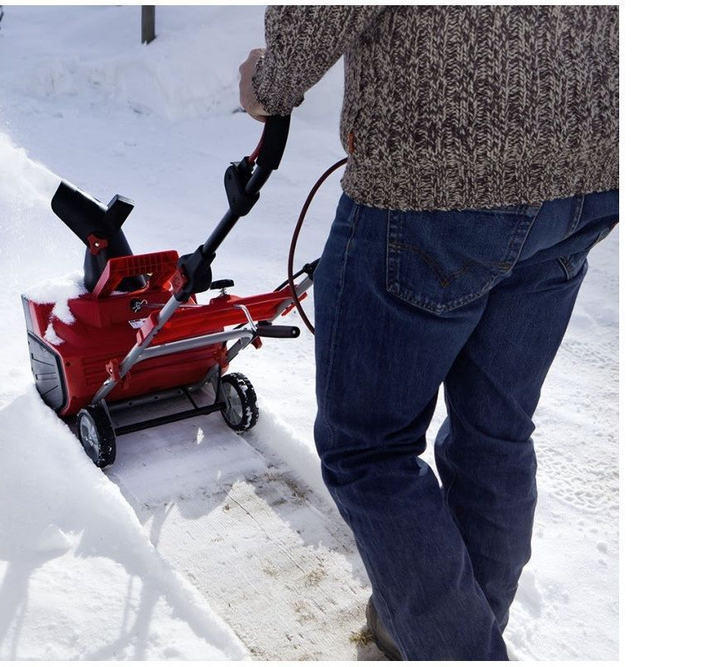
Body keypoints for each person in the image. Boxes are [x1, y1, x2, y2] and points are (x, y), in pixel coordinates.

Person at [238, 6, 618, 661]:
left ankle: (458, 647)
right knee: (494, 431)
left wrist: (266, 83)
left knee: (368, 450)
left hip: (437, 178)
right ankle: (447, 628)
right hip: (585, 173)